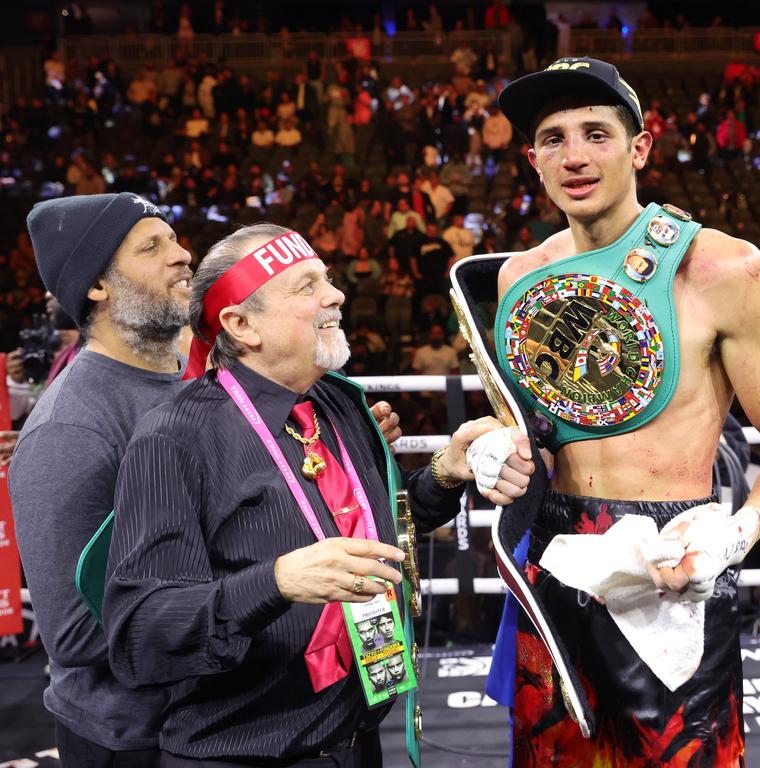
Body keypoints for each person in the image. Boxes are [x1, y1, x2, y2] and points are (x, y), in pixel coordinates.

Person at [102, 223, 535, 767]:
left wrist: (446, 473)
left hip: (356, 742)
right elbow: (140, 635)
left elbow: (378, 538)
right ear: (241, 325)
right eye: (305, 286)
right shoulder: (175, 438)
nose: (336, 295)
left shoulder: (340, 403)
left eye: (326, 279)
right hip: (244, 756)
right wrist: (278, 581)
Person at [491, 57, 760, 765]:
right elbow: (525, 434)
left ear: (640, 147)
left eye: (596, 133)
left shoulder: (724, 270)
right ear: (533, 160)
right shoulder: (521, 279)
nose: (574, 155)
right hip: (555, 556)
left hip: (677, 562)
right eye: (553, 138)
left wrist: (734, 537)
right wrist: (490, 448)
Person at [9, 192, 192, 767]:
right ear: (98, 286)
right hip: (134, 742)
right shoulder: (69, 428)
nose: (183, 255)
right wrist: (258, 592)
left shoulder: (195, 381)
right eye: (152, 246)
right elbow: (76, 634)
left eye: (175, 238)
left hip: (213, 721)